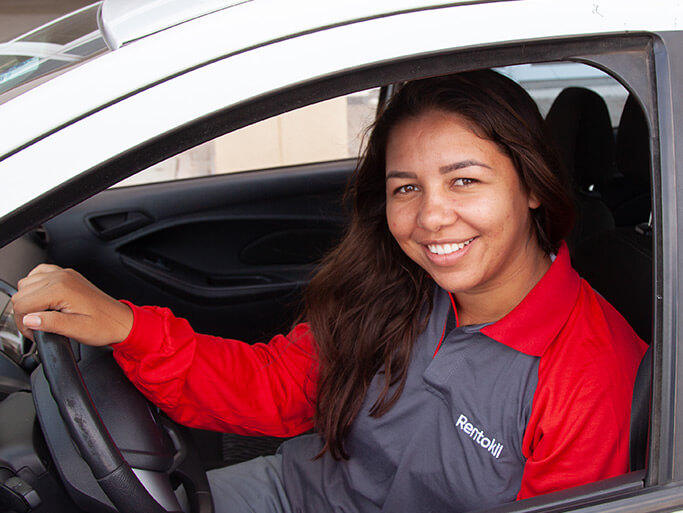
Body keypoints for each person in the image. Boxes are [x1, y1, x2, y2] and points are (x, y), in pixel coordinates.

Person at [12, 70, 647, 513]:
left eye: (463, 180)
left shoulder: (590, 372)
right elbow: (278, 388)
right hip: (294, 490)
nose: (429, 219)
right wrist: (126, 325)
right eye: (406, 188)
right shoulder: (404, 287)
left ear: (531, 185)